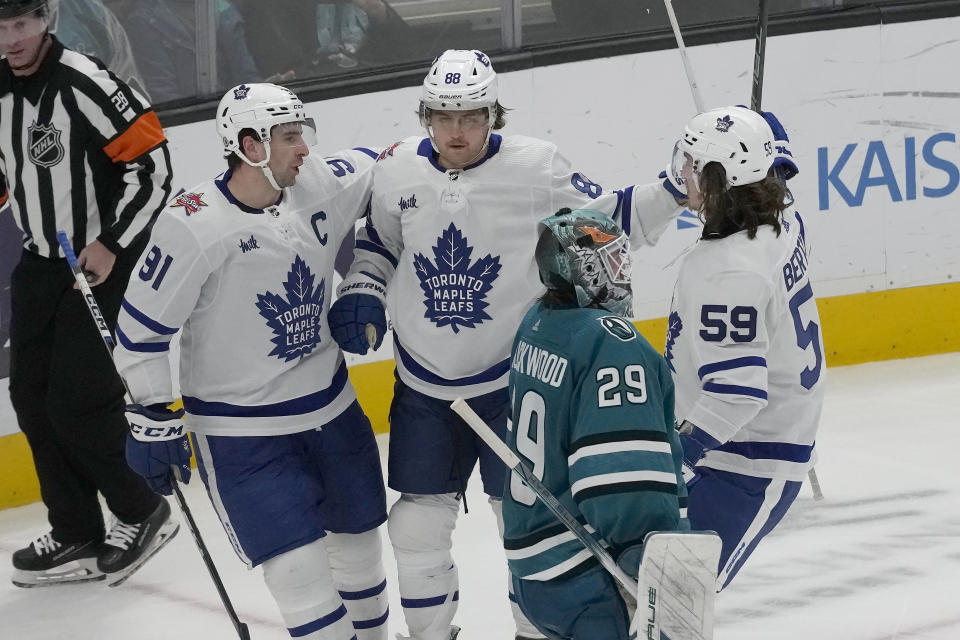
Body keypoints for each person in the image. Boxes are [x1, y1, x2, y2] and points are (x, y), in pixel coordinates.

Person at [328, 49, 683, 640]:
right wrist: (363, 286)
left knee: (524, 522)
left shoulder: (537, 167)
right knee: (416, 527)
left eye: (471, 116)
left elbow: (606, 222)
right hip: (423, 384)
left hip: (508, 381)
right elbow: (380, 246)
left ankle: (532, 632)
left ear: (495, 114)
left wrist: (673, 190)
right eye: (443, 117)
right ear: (425, 115)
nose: (457, 131)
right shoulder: (395, 171)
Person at [113, 82, 390, 640]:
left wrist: (365, 277)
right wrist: (150, 419)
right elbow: (140, 332)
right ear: (249, 145)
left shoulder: (318, 184)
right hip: (243, 432)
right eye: (290, 138)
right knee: (298, 572)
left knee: (360, 552)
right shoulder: (193, 223)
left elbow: (395, 167)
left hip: (332, 410)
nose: (304, 149)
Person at [0, 0, 175, 588]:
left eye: (21, 23)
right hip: (40, 264)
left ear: (44, 19)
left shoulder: (85, 80)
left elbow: (152, 165)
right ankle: (76, 528)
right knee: (29, 395)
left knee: (78, 403)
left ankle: (142, 508)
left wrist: (112, 243)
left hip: (99, 264)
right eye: (0, 28)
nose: (12, 38)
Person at [502, 208, 688, 640]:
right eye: (613, 261)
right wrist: (646, 552)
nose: (623, 272)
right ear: (585, 269)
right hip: (588, 571)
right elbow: (620, 474)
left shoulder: (537, 322)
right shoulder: (612, 343)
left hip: (532, 571)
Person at [664, 105, 822, 591]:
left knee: (671, 599)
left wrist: (674, 458)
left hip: (744, 462)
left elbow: (737, 394)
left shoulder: (729, 274)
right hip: (743, 443)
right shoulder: (782, 216)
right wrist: (749, 124)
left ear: (717, 179)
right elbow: (775, 164)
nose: (681, 172)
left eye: (692, 164)